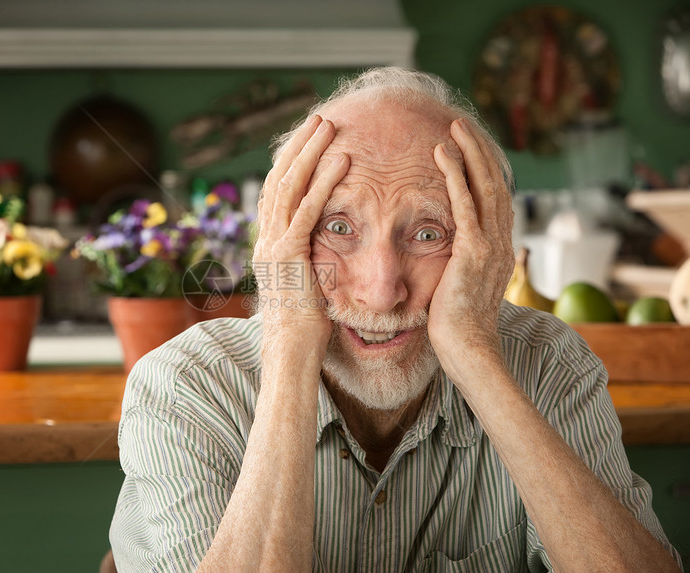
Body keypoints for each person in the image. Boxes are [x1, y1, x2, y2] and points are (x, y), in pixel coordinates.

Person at [110, 67, 683, 572]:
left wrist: (475, 358)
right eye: (338, 228)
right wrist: (289, 346)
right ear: (281, 238)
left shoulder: (549, 364)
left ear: (487, 249)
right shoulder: (185, 386)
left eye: (429, 234)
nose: (382, 292)